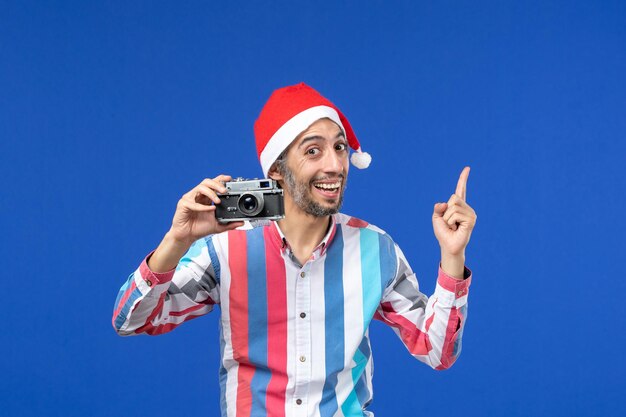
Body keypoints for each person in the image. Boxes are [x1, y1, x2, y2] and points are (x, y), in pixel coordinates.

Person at [112, 82, 477, 417]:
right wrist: (177, 240)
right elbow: (132, 320)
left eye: (339, 148)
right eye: (313, 151)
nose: (334, 165)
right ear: (277, 170)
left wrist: (452, 256)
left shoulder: (374, 248)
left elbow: (437, 351)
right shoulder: (225, 247)